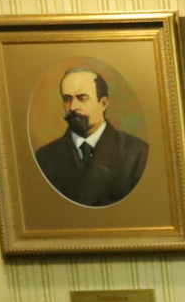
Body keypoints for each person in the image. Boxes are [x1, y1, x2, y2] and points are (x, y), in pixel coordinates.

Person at [33, 67, 149, 206]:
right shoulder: (45, 158)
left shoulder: (136, 154)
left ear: (103, 104)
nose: (73, 107)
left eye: (82, 98)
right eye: (67, 99)